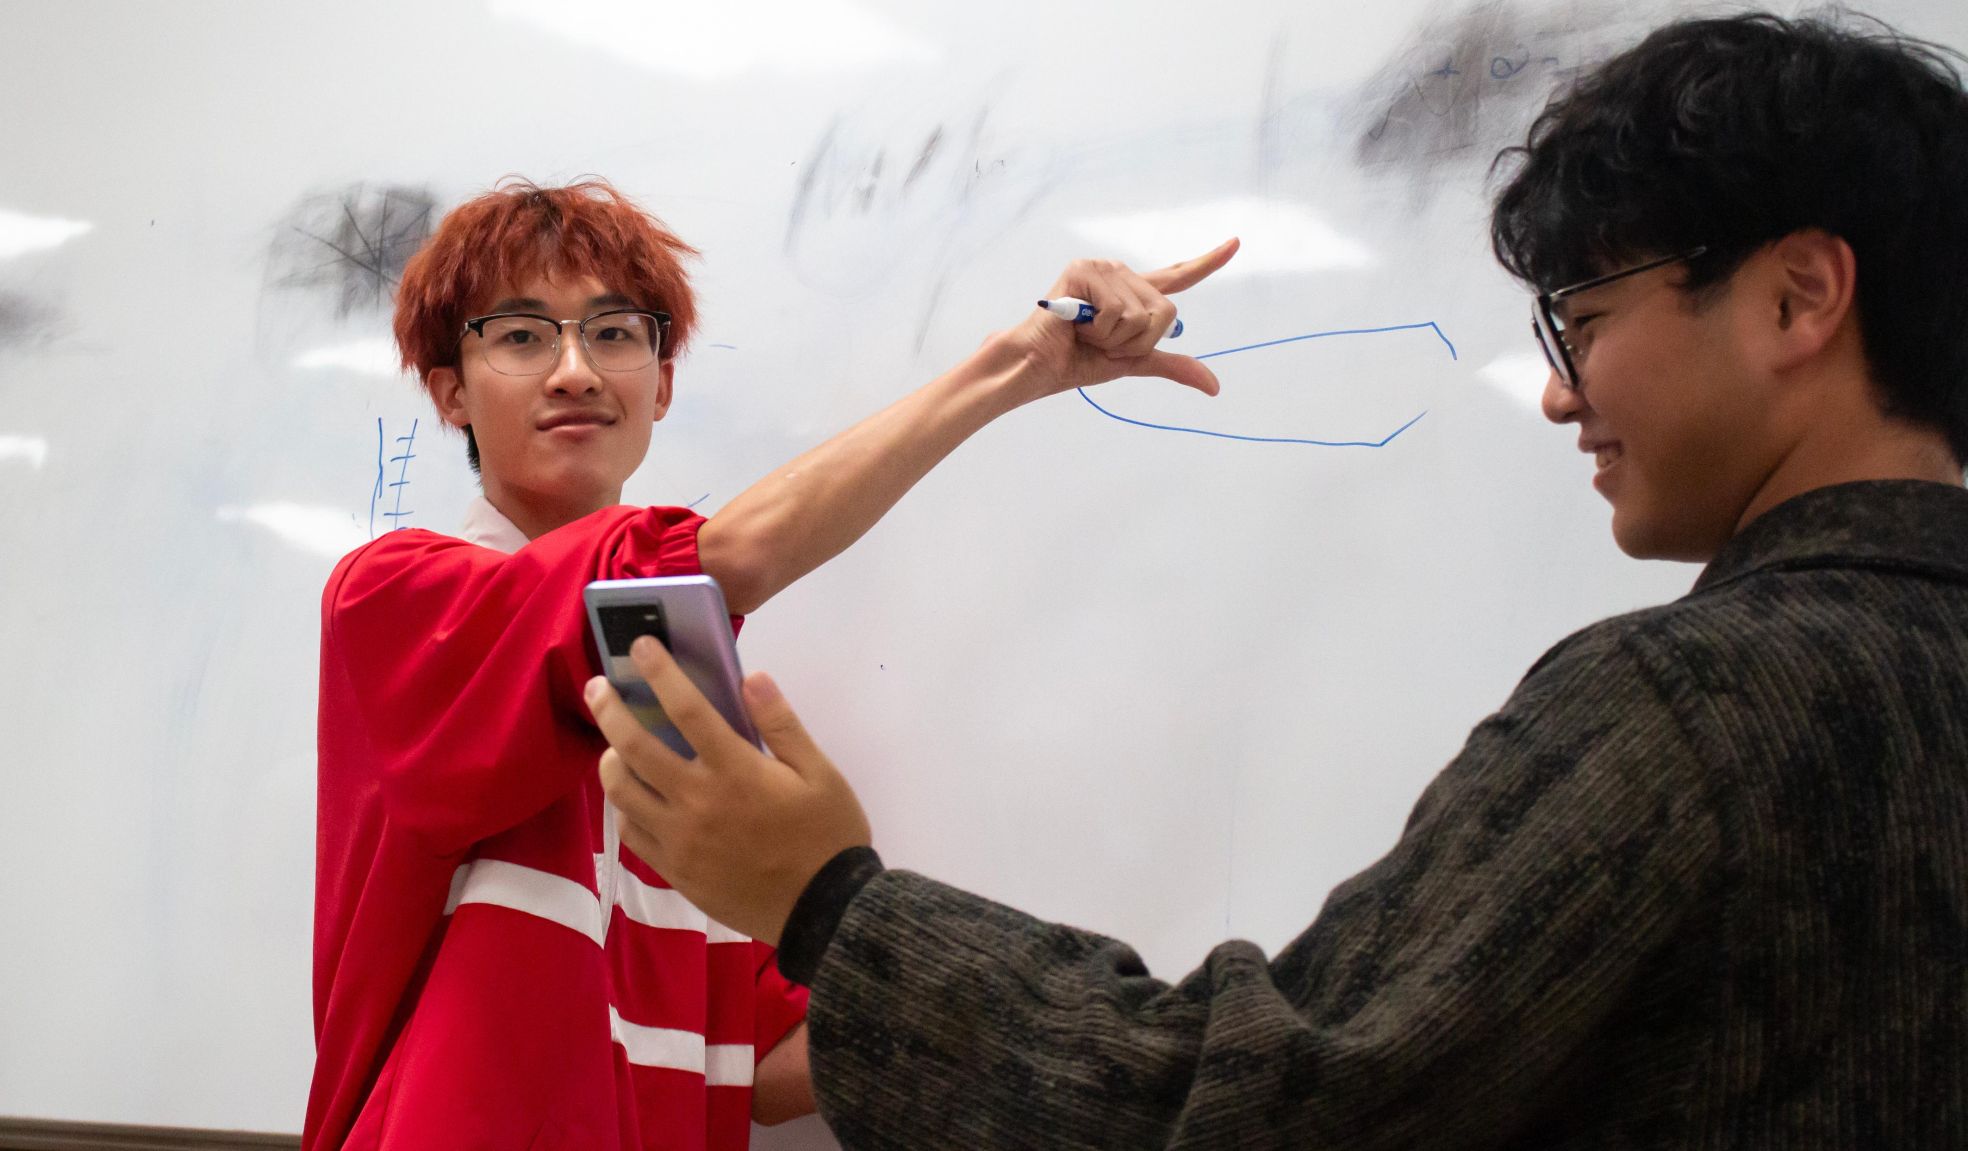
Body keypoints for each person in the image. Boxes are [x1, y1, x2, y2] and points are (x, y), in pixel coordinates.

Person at [584, 13, 1968, 1149]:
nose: (1558, 392)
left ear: (1797, 297)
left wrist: (832, 902)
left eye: (1584, 319)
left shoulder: (1684, 706)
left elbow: (1255, 1111)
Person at [303, 177, 1237, 1150]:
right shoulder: (395, 601)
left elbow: (771, 1049)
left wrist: (1138, 1042)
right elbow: (729, 558)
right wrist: (1023, 358)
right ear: (450, 389)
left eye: (614, 332)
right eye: (522, 336)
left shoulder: (685, 703)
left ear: (661, 383)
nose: (574, 371)